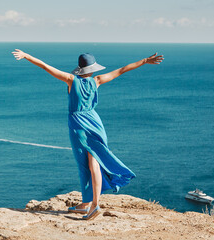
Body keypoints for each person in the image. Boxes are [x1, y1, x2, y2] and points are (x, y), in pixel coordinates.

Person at [12, 49, 164, 220]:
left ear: (80, 68)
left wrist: (27, 56)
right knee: (95, 163)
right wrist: (144, 60)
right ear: (91, 69)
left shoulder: (71, 80)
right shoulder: (97, 80)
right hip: (95, 123)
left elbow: (47, 67)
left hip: (78, 126)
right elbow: (122, 70)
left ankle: (93, 205)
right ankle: (88, 203)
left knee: (84, 165)